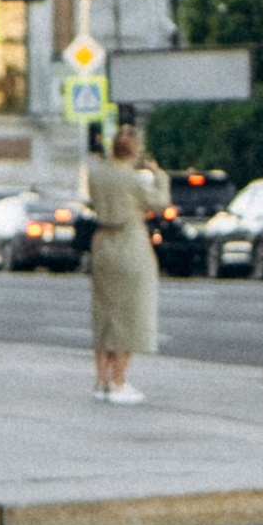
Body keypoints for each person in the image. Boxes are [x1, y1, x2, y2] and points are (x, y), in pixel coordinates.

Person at [87, 121, 165, 401]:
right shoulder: (134, 179)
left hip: (103, 245)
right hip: (130, 243)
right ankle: (119, 381)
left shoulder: (96, 174)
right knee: (130, 315)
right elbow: (160, 203)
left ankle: (101, 381)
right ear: (134, 151)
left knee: (105, 313)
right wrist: (159, 176)